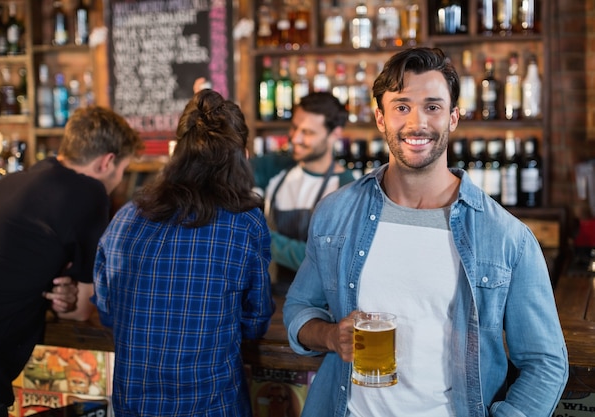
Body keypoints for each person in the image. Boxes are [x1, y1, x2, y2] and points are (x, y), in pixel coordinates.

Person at [283, 47, 568, 417]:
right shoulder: (337, 213)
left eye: (432, 107)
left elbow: (545, 362)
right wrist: (329, 336)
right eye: (402, 106)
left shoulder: (505, 237)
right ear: (380, 118)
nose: (416, 123)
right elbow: (299, 308)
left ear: (453, 118)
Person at [93, 89, 274, 416]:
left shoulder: (125, 217)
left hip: (135, 407)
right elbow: (255, 321)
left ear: (177, 151)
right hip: (212, 407)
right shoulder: (244, 223)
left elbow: (108, 312)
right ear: (243, 155)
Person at [0, 105, 143, 417]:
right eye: (123, 172)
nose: (119, 182)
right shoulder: (89, 193)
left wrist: (58, 293)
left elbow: (18, 268)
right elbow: (80, 311)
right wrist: (71, 296)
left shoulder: (12, 182)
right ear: (108, 162)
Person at [262, 92, 355, 295]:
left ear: (335, 134)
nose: (295, 138)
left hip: (319, 309)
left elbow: (327, 260)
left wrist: (262, 238)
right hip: (272, 299)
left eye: (308, 132)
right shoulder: (277, 172)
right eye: (295, 127)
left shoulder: (346, 188)